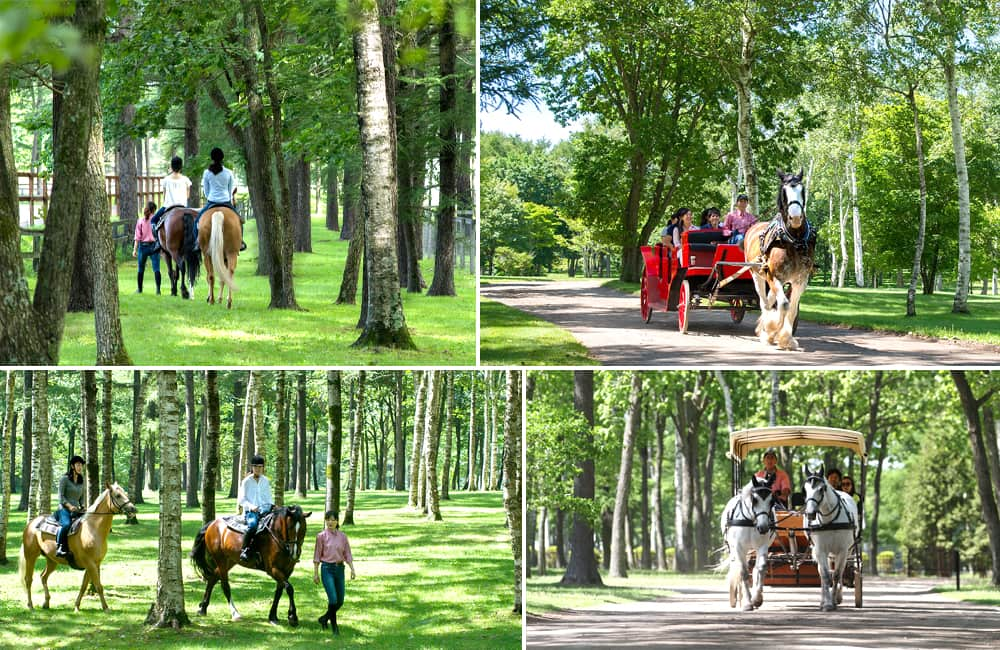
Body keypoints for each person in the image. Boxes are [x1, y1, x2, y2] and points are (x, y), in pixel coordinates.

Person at [313, 511, 356, 635]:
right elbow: (317, 556)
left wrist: (352, 569)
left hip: (339, 569)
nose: (330, 522)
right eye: (328, 519)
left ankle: (324, 618)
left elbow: (347, 553)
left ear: (337, 521)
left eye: (333, 520)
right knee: (333, 600)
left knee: (340, 601)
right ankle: (334, 627)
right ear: (325, 521)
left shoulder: (343, 536)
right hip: (327, 569)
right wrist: (316, 574)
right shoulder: (321, 536)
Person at [199, 147, 246, 251]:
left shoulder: (206, 173)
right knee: (240, 221)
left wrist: (210, 197)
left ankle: (197, 242)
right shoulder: (229, 172)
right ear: (222, 158)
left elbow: (206, 191)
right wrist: (227, 198)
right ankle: (241, 241)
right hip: (226, 202)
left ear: (212, 158)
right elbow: (230, 190)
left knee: (197, 221)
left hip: (211, 202)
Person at [237, 454, 273, 561]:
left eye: (260, 467)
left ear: (263, 468)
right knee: (253, 526)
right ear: (252, 467)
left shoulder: (265, 481)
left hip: (265, 510)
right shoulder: (246, 482)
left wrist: (272, 506)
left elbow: (268, 498)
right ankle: (245, 550)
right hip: (251, 512)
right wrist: (251, 507)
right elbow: (241, 500)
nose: (258, 469)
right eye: (256, 467)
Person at [150, 156, 193, 235]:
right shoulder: (186, 179)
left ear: (172, 167)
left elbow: (164, 195)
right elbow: (188, 196)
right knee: (194, 222)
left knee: (153, 220)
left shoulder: (166, 179)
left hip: (168, 206)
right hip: (182, 206)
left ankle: (156, 242)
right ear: (181, 167)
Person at [55, 455, 86, 557]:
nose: (80, 467)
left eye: (81, 465)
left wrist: (83, 506)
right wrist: (69, 506)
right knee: (67, 525)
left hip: (76, 510)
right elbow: (61, 496)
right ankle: (59, 547)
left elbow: (81, 497)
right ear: (72, 466)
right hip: (63, 509)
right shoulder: (64, 479)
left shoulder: (81, 480)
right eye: (78, 465)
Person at [132, 201, 162, 294]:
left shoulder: (140, 221)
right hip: (154, 247)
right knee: (156, 268)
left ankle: (140, 289)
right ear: (154, 210)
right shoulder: (157, 220)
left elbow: (137, 237)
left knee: (141, 269)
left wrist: (134, 250)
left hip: (143, 247)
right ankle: (158, 290)